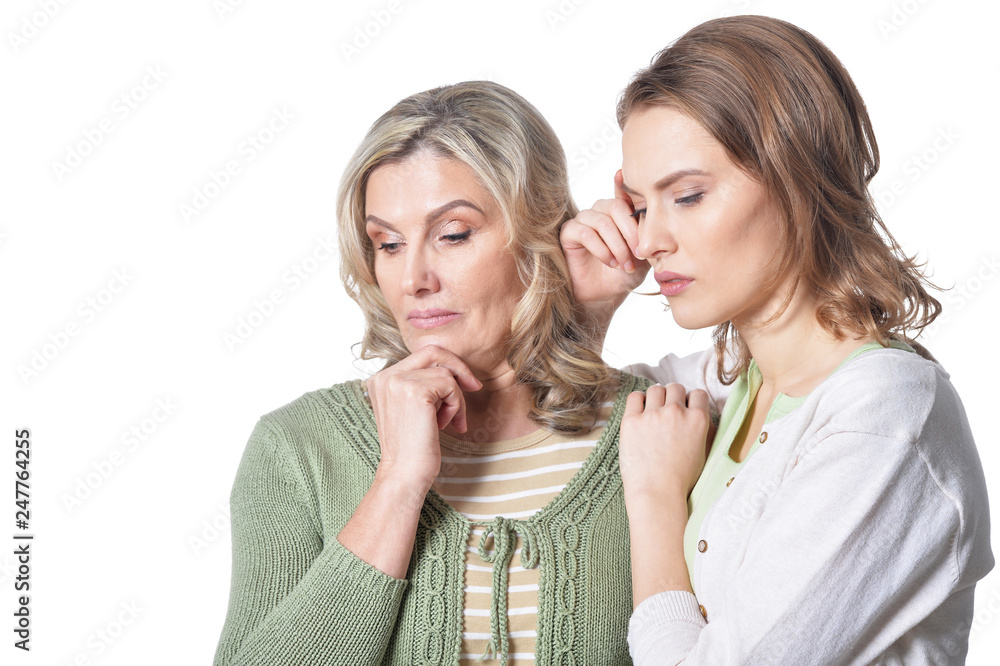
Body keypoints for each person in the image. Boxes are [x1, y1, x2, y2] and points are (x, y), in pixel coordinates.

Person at [560, 15, 993, 664]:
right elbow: (543, 430)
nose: (649, 242)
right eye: (642, 207)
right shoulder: (725, 383)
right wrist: (588, 308)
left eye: (688, 195)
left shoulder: (885, 417)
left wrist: (654, 499)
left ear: (796, 177)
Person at [213, 80, 678, 666]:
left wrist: (578, 324)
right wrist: (398, 482)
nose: (413, 278)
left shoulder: (658, 428)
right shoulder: (298, 447)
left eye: (453, 234)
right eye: (386, 243)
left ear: (538, 234)